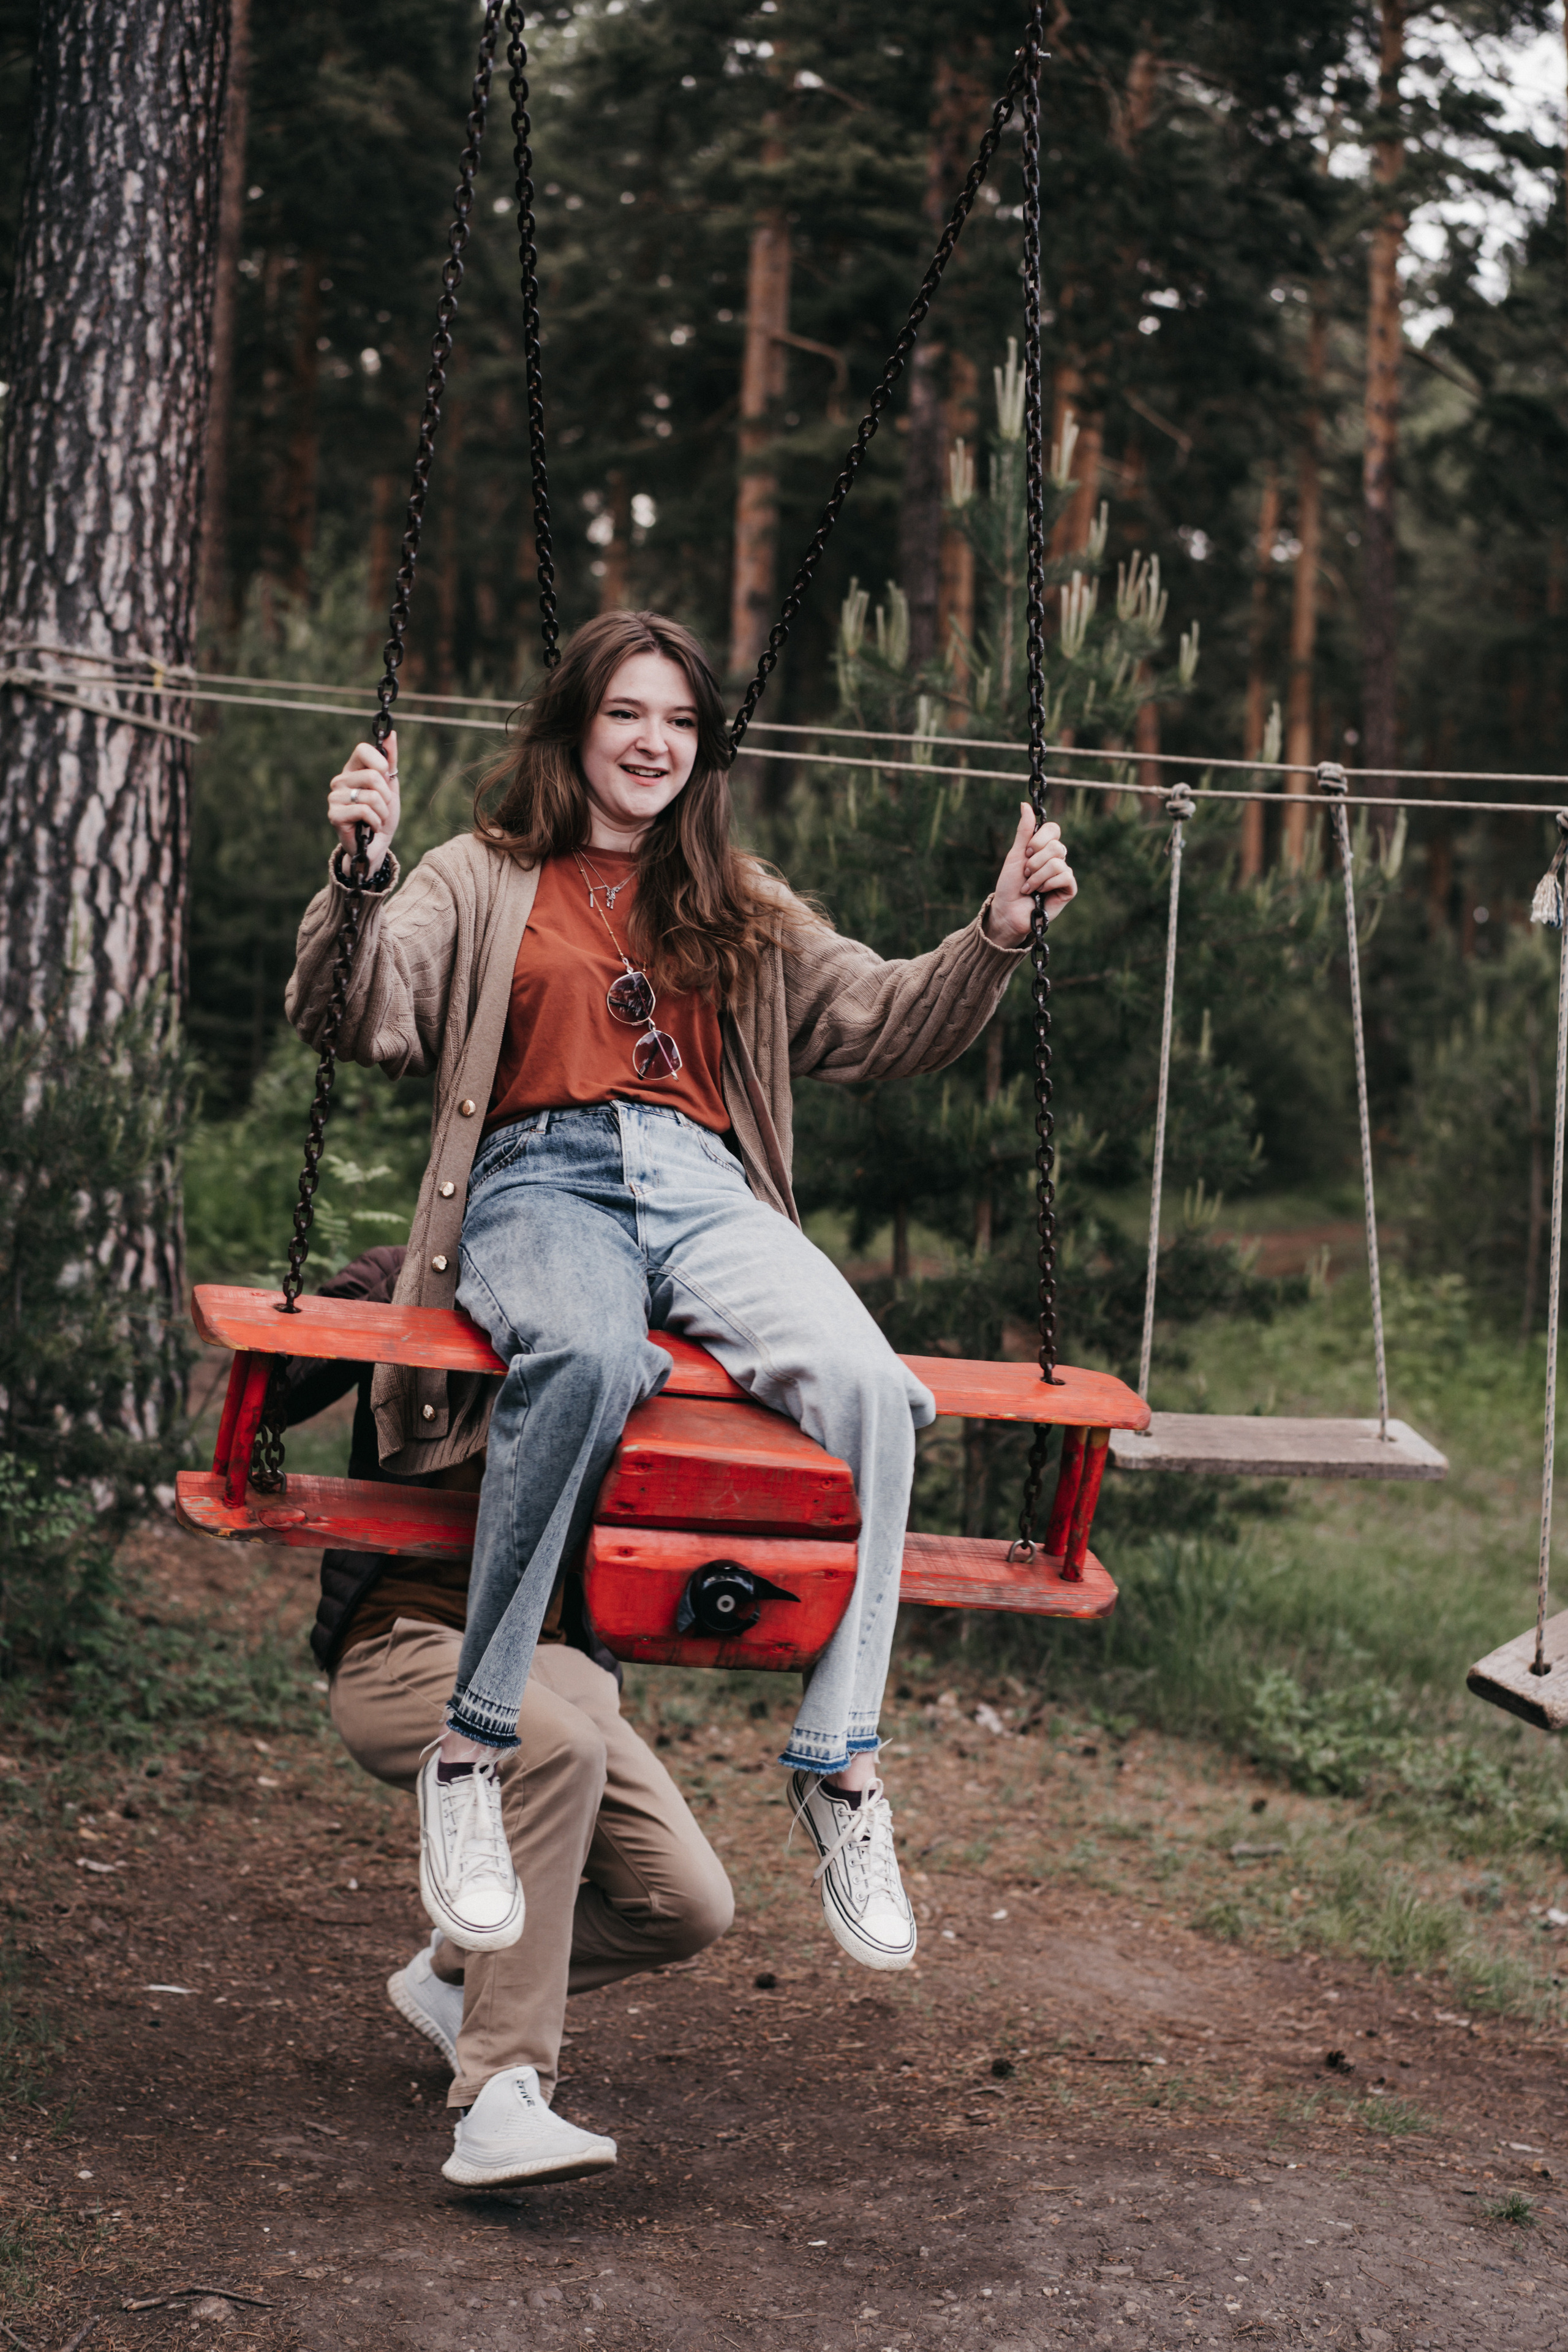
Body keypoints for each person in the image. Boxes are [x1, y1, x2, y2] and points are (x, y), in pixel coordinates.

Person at [285, 608, 1076, 1978]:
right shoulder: (479, 876)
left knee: (874, 1388)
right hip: (539, 1177)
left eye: (678, 721)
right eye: (625, 714)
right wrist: (359, 874)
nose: (652, 742)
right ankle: (473, 1751)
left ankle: (838, 1766)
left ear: (701, 748)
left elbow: (881, 1018)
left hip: (707, 1193)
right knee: (584, 1361)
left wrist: (994, 935)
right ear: (574, 729)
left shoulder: (737, 903)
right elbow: (361, 1011)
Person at [279, 1243, 734, 2190]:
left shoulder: (635, 1307)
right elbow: (275, 1386)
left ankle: (453, 1978)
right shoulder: (414, 1275)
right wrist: (390, 1300)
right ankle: (500, 2095)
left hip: (555, 1660)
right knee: (554, 1749)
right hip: (402, 1644)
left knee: (687, 1905)